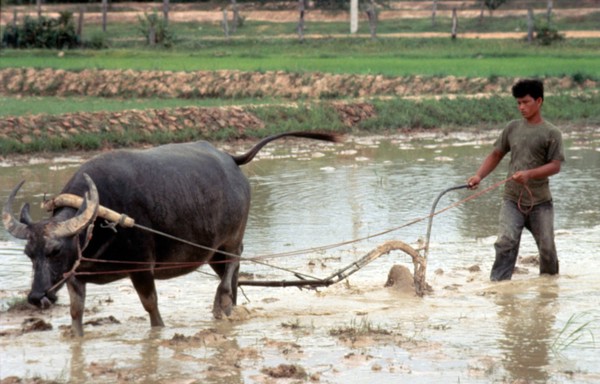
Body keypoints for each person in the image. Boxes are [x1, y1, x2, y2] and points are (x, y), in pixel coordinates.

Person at [467, 79, 565, 281]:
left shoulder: (552, 132)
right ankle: (499, 284)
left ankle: (549, 286)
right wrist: (479, 175)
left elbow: (555, 165)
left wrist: (529, 174)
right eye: (518, 103)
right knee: (505, 242)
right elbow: (496, 154)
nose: (521, 107)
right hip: (512, 199)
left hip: (540, 202)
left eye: (526, 102)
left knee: (547, 247)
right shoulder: (512, 128)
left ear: (539, 101)